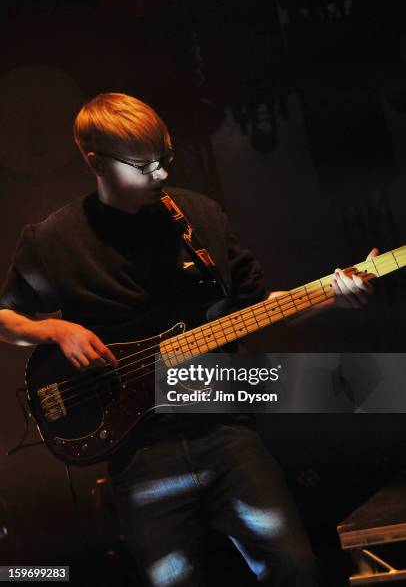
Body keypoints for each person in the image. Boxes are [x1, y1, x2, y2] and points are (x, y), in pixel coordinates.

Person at [0, 93, 375, 586]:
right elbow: (6, 318)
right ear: (96, 162)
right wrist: (55, 328)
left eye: (165, 160)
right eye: (143, 165)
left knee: (296, 568)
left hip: (224, 429)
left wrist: (333, 295)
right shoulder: (52, 239)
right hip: (139, 452)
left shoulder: (198, 215)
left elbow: (259, 308)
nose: (159, 175)